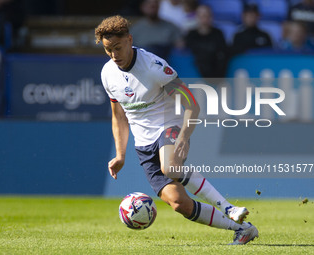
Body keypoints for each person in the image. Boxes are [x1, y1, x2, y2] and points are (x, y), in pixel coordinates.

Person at [95, 15, 258, 245]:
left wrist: (183, 137)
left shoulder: (155, 67)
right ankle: (243, 229)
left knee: (170, 166)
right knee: (179, 203)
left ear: (130, 40)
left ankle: (228, 207)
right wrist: (121, 155)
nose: (114, 55)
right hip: (143, 144)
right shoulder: (107, 73)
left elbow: (192, 104)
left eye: (118, 48)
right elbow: (119, 116)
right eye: (108, 50)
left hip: (168, 126)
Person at [184, 5, 228, 79]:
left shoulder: (218, 34)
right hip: (196, 76)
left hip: (217, 75)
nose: (204, 19)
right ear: (197, 17)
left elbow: (223, 54)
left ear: (211, 17)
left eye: (207, 16)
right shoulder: (191, 35)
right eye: (201, 16)